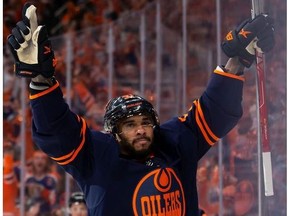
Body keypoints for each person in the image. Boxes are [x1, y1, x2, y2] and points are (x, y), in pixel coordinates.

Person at [7, 3, 274, 216]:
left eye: (145, 122)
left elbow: (214, 110)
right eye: (130, 125)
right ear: (114, 132)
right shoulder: (97, 156)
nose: (141, 130)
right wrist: (41, 80)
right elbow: (57, 130)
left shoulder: (173, 142)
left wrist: (238, 57)